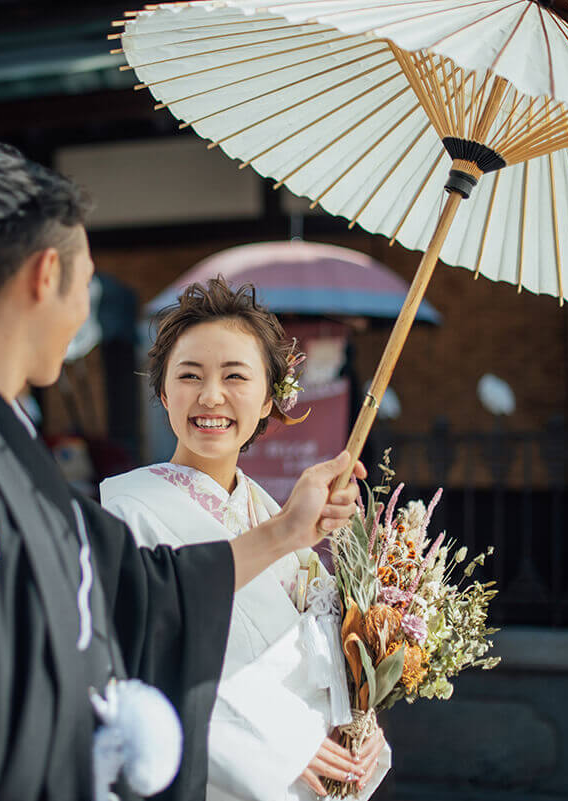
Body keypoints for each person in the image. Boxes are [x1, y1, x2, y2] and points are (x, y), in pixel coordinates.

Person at [0, 143, 368, 801]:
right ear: (46, 275)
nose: (82, 315)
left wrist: (287, 531)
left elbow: (142, 593)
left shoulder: (8, 451)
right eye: (87, 283)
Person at [100, 279, 391, 801]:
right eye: (189, 375)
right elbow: (144, 668)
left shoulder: (268, 510)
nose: (210, 396)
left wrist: (361, 719)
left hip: (312, 772)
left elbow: (327, 651)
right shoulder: (126, 510)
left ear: (268, 400)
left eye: (235, 376)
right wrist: (282, 741)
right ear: (164, 392)